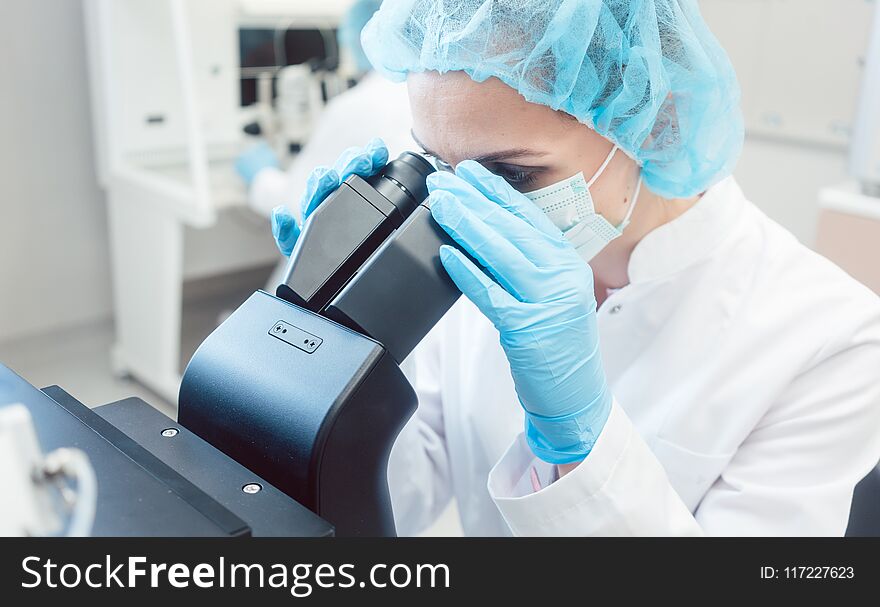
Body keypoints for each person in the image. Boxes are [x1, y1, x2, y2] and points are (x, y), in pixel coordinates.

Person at [272, 0, 880, 536]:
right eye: (435, 164)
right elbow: (397, 503)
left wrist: (584, 448)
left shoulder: (833, 338)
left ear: (655, 121)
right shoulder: (459, 261)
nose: (463, 209)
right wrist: (337, 353)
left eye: (510, 175)